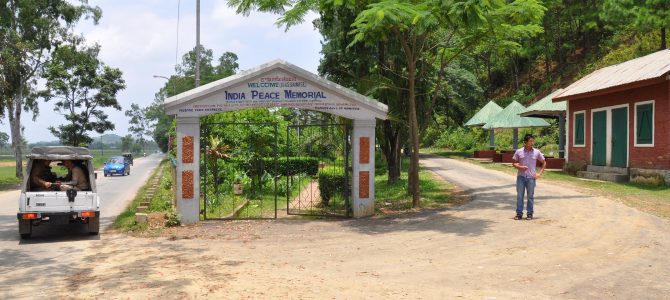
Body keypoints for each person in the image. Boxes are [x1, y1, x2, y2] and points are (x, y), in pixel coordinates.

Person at [512, 133, 546, 220]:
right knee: (520, 196)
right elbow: (514, 163)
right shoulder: (519, 151)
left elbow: (544, 162)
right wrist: (520, 167)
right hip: (521, 177)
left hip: (531, 178)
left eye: (533, 141)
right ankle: (519, 213)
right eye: (530, 141)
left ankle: (529, 213)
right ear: (525, 142)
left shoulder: (537, 152)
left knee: (530, 196)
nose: (532, 142)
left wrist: (539, 173)